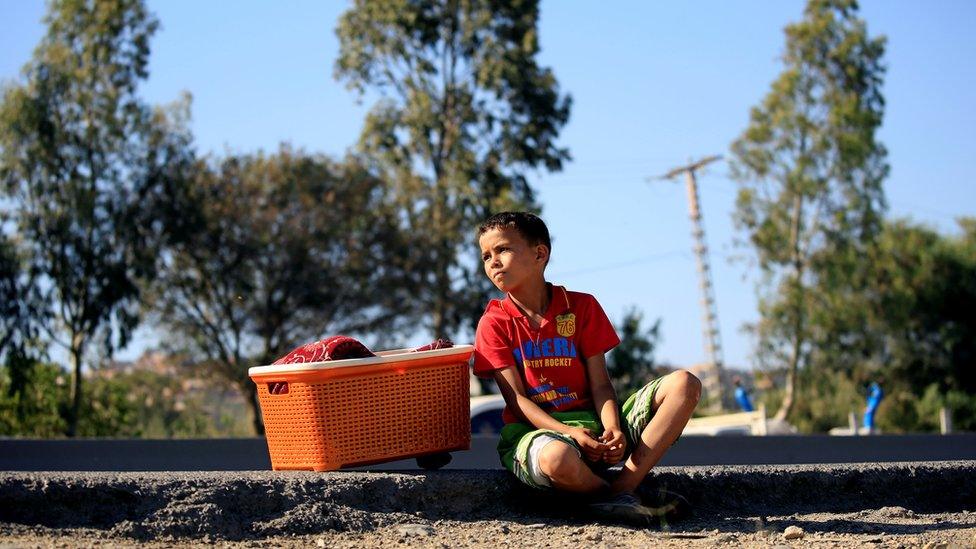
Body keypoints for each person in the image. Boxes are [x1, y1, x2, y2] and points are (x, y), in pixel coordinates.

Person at [473, 211, 701, 523]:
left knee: (685, 383)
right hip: (539, 434)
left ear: (540, 254)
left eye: (502, 250)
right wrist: (569, 432)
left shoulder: (582, 306)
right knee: (558, 459)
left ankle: (625, 486)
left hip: (596, 428)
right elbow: (517, 400)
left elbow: (601, 386)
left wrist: (613, 428)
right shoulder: (493, 323)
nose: (493, 262)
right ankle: (618, 496)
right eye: (486, 256)